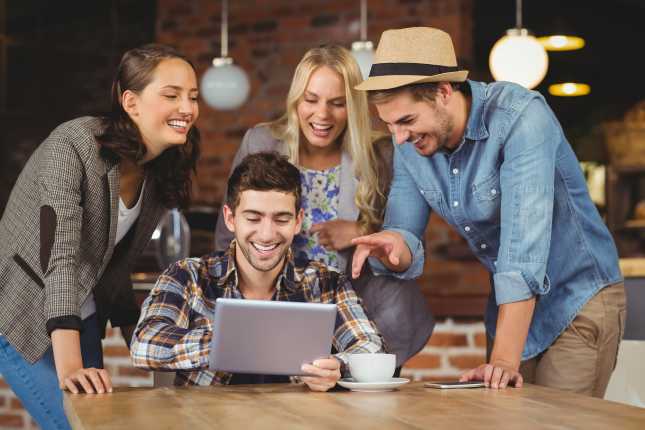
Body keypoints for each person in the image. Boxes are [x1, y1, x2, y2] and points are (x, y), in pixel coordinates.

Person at [351, 27, 625, 397]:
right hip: (509, 308)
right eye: (389, 125)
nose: (399, 138)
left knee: (561, 421)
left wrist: (505, 361)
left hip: (577, 296)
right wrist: (393, 245)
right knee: (505, 418)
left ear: (443, 92)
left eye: (407, 122)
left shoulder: (520, 118)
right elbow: (403, 230)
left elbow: (521, 253)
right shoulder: (409, 146)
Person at [0, 44, 200, 428]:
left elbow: (115, 263)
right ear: (131, 101)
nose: (187, 109)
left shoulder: (159, 167)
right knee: (76, 425)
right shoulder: (73, 145)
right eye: (171, 95)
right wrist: (71, 366)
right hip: (24, 310)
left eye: (192, 97)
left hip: (82, 315)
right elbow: (60, 257)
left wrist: (144, 345)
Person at [213, 45, 433, 368]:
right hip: (276, 318)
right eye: (311, 100)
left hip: (365, 322)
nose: (322, 115)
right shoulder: (261, 143)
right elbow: (226, 240)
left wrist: (360, 232)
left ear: (353, 105)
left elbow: (410, 246)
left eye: (337, 103)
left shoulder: (384, 153)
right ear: (296, 100)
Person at [131, 152, 383, 391]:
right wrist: (225, 343)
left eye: (281, 219)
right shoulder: (188, 276)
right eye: (253, 218)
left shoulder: (326, 282)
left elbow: (371, 348)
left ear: (298, 221)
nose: (266, 234)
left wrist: (338, 365)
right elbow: (144, 344)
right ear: (230, 218)